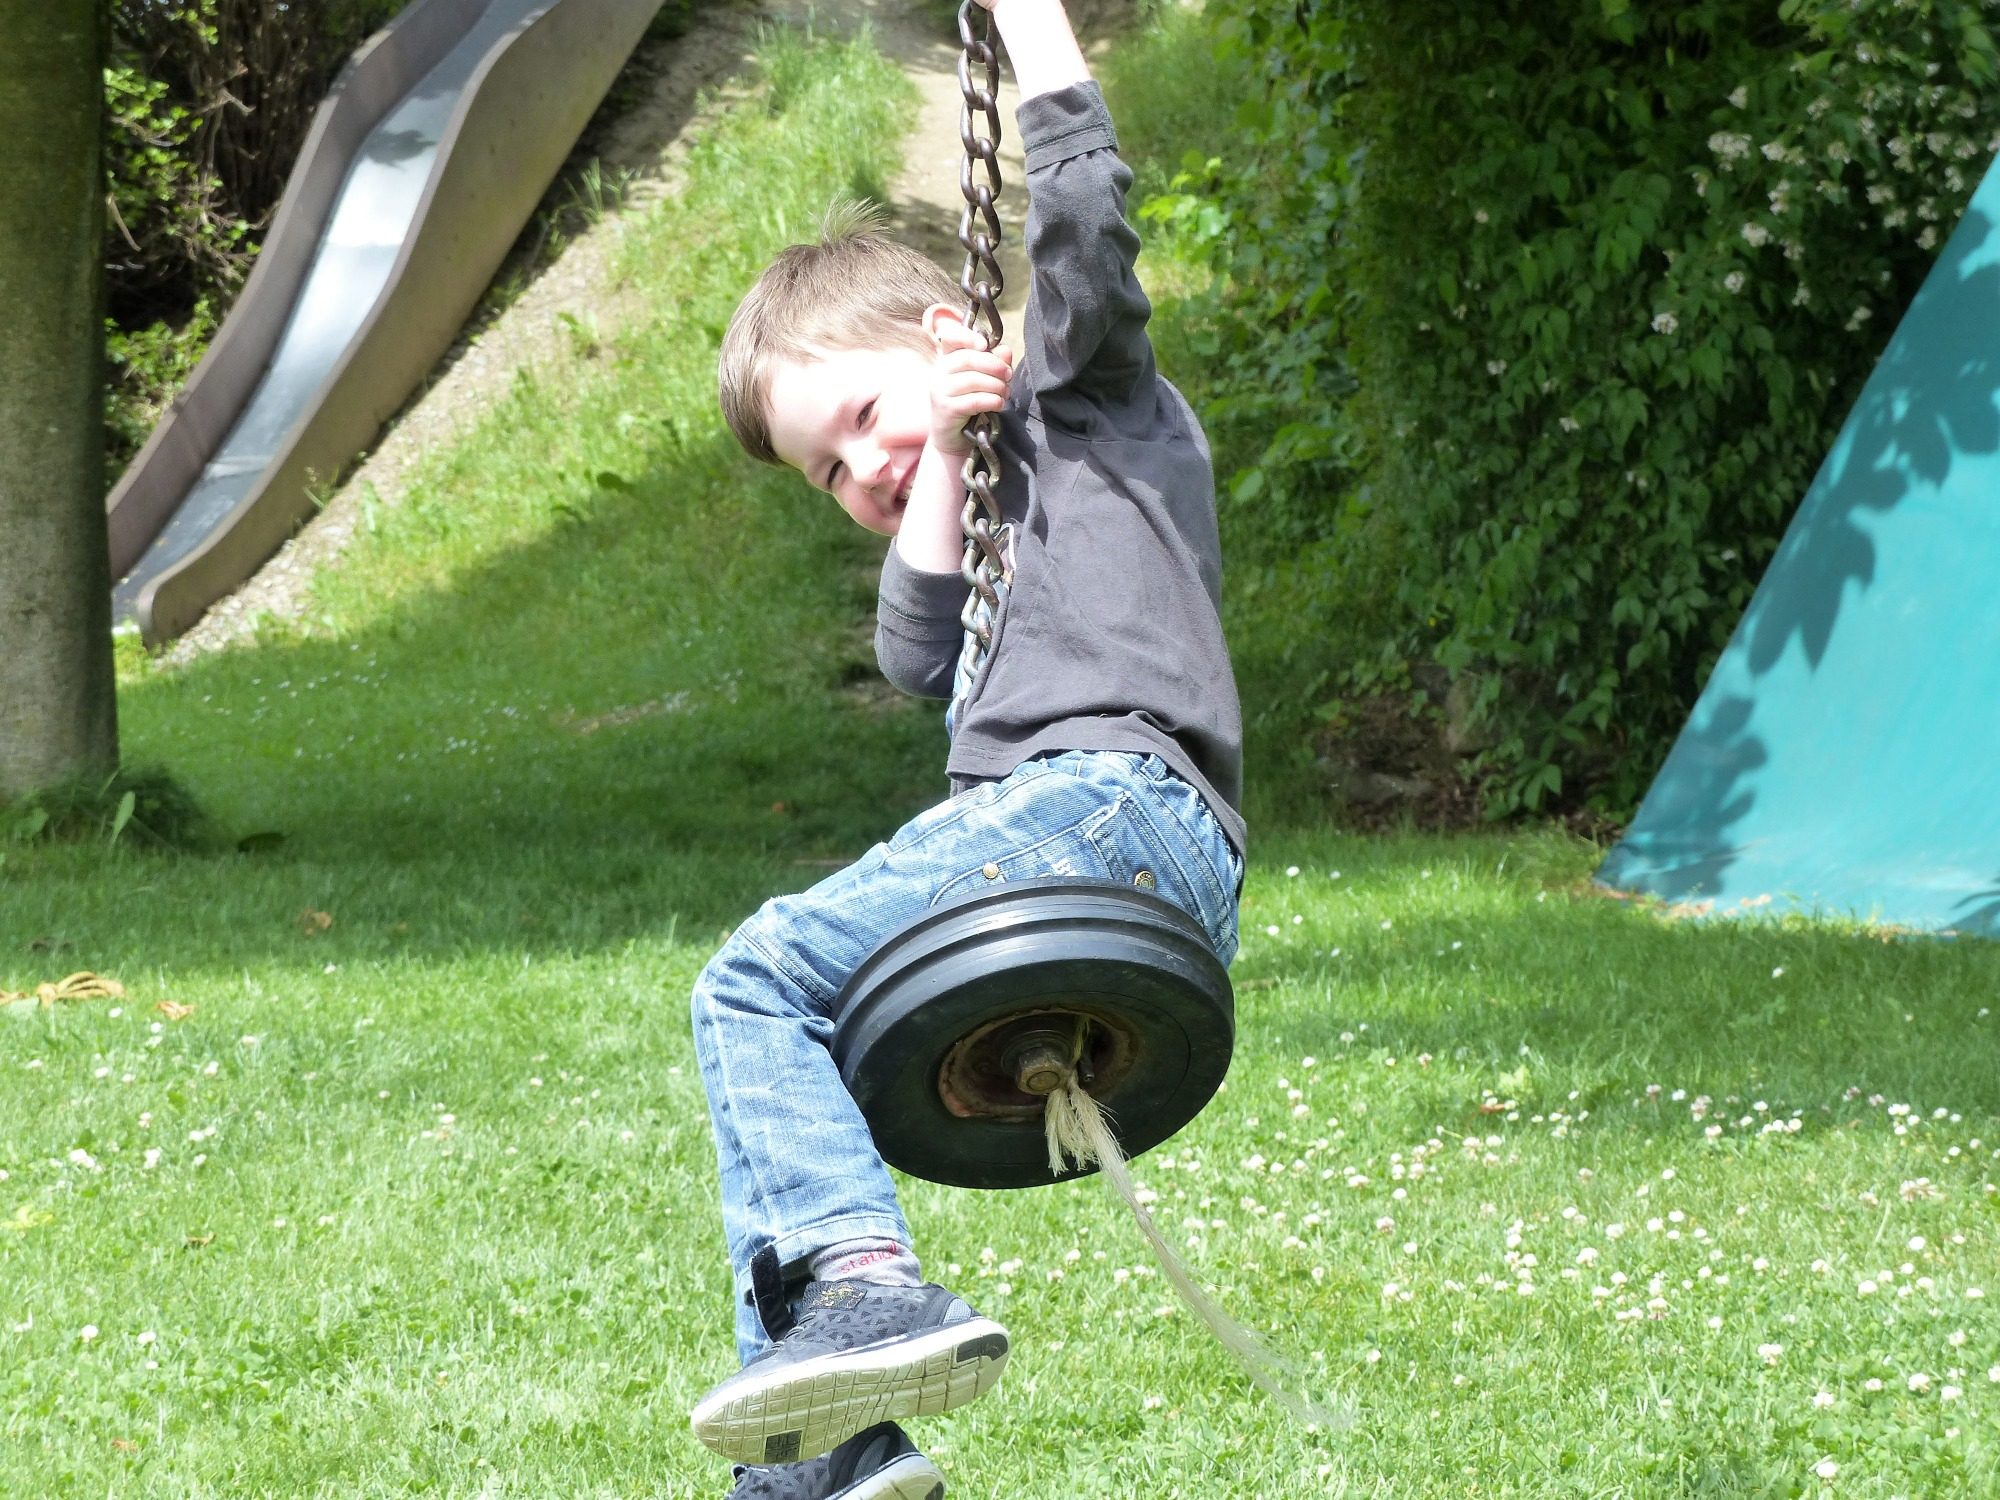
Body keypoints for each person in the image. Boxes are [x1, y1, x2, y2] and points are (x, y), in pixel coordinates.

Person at [694, 1, 1245, 1494]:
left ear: (948, 341)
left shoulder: (1080, 396)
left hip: (1109, 805)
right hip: (1103, 844)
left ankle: (866, 1295)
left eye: (865, 416)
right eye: (831, 469)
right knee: (790, 1045)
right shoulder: (960, 484)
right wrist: (931, 447)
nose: (861, 466)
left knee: (753, 980)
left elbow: (1078, 214)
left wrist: (1028, 25)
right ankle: (826, 1443)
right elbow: (912, 656)